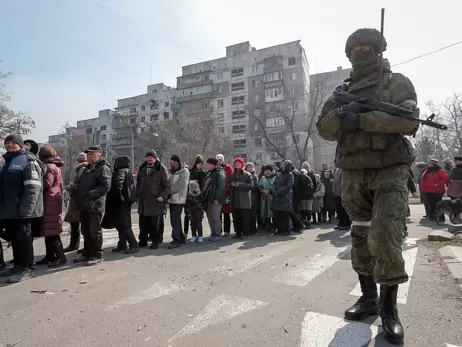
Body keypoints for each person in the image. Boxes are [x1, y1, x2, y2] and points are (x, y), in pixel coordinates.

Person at [316, 28, 421, 343]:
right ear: (349, 56)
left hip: (389, 170)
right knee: (360, 235)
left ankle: (390, 309)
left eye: (367, 48)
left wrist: (364, 120)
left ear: (379, 51)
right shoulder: (340, 91)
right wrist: (343, 116)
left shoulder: (396, 82)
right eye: (356, 49)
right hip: (352, 173)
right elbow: (324, 128)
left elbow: (410, 120)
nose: (361, 53)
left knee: (385, 235)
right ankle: (368, 297)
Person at [0, 134, 44, 283]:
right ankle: (18, 265)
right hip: (10, 211)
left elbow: (33, 188)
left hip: (23, 211)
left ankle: (27, 268)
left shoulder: (28, 160)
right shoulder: (9, 162)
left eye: (13, 142)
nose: (9, 145)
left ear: (20, 145)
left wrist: (27, 211)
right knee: (15, 239)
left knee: (24, 239)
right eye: (7, 142)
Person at [72, 146, 111, 266]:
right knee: (86, 231)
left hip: (94, 204)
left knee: (95, 231)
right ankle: (87, 253)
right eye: (88, 155)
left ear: (99, 155)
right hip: (84, 204)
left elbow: (105, 187)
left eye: (92, 154)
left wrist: (91, 194)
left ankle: (97, 254)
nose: (89, 156)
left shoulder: (103, 168)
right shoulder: (86, 168)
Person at [36, 145, 67, 268]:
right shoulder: (55, 166)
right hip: (53, 200)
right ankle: (50, 255)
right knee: (49, 230)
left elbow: (47, 184)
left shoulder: (48, 166)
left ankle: (61, 257)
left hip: (49, 201)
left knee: (52, 231)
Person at [102, 156, 139, 254]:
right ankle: (122, 244)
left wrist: (116, 198)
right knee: (121, 224)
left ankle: (133, 245)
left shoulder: (121, 172)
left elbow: (118, 186)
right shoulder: (128, 171)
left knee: (123, 224)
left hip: (120, 203)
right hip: (127, 202)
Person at [137, 150, 169, 249]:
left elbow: (166, 186)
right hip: (143, 201)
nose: (149, 159)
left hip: (156, 201)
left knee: (154, 224)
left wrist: (162, 196)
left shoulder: (161, 169)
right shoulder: (142, 168)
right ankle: (143, 241)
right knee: (143, 223)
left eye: (152, 157)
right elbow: (138, 183)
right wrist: (138, 194)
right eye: (148, 157)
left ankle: (155, 241)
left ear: (155, 158)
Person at [63, 152, 87, 253]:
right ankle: (76, 245)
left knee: (76, 224)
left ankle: (74, 245)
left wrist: (69, 188)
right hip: (79, 199)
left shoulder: (82, 168)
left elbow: (78, 184)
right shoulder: (83, 168)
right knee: (78, 224)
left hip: (78, 200)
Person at [167, 155, 189, 249]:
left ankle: (176, 240)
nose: (170, 163)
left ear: (176, 162)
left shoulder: (184, 171)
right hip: (172, 199)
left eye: (172, 161)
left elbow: (181, 185)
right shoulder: (172, 171)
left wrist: (169, 191)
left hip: (179, 199)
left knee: (175, 220)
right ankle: (181, 237)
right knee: (175, 220)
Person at [229, 158, 254, 240]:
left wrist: (240, 184)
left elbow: (251, 186)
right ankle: (238, 233)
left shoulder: (247, 175)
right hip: (235, 200)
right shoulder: (232, 175)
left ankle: (245, 234)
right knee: (236, 218)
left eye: (239, 163)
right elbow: (228, 186)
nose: (237, 165)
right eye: (236, 163)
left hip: (245, 200)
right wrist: (231, 185)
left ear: (242, 164)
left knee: (245, 218)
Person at [203, 158, 226, 242]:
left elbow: (221, 187)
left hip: (216, 199)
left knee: (215, 217)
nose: (207, 166)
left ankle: (217, 234)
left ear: (213, 165)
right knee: (209, 216)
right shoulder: (209, 173)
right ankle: (213, 232)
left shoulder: (220, 172)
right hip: (208, 198)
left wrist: (217, 198)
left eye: (208, 164)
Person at [270, 160, 294, 236]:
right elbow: (274, 184)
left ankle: (286, 230)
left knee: (285, 215)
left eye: (284, 164)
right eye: (282, 164)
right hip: (277, 197)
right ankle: (279, 229)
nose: (282, 166)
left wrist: (279, 192)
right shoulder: (279, 174)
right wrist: (273, 191)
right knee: (278, 214)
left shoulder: (290, 175)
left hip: (285, 197)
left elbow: (289, 186)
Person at [185, 155, 205, 239]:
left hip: (199, 196)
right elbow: (186, 181)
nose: (200, 165)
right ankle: (187, 233)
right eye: (198, 163)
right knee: (189, 216)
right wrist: (192, 182)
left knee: (198, 219)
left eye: (201, 164)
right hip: (190, 195)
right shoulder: (191, 172)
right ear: (196, 164)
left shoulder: (203, 173)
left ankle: (199, 235)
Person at [217, 154, 233, 236]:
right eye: (217, 160)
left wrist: (228, 191)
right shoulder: (215, 169)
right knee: (218, 213)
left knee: (226, 213)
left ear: (223, 160)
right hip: (218, 194)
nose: (219, 161)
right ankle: (218, 230)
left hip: (226, 193)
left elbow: (231, 180)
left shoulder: (229, 169)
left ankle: (227, 231)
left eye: (220, 159)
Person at [259, 166, 277, 232]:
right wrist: (262, 190)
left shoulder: (275, 178)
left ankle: (275, 227)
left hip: (272, 197)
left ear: (272, 171)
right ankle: (268, 226)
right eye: (266, 171)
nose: (267, 172)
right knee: (265, 212)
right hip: (264, 198)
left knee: (273, 213)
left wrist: (269, 191)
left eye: (269, 171)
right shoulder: (262, 178)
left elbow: (277, 187)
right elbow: (259, 186)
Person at [245, 162, 260, 234]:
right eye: (248, 167)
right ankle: (248, 228)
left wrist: (247, 186)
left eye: (251, 167)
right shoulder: (244, 175)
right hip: (246, 197)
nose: (250, 169)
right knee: (247, 214)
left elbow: (256, 186)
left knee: (253, 214)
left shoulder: (255, 176)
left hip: (253, 197)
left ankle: (253, 229)